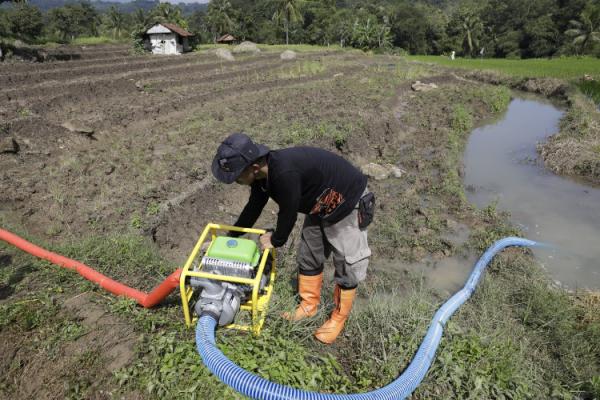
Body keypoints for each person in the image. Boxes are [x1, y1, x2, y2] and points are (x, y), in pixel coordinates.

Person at [211, 132, 373, 344]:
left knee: (347, 264)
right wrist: (230, 237)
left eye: (237, 176)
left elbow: (288, 212)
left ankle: (338, 318)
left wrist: (276, 240)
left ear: (253, 167)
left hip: (346, 201)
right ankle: (308, 306)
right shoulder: (262, 177)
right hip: (320, 203)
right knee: (309, 255)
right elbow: (253, 207)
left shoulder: (284, 173)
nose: (236, 182)